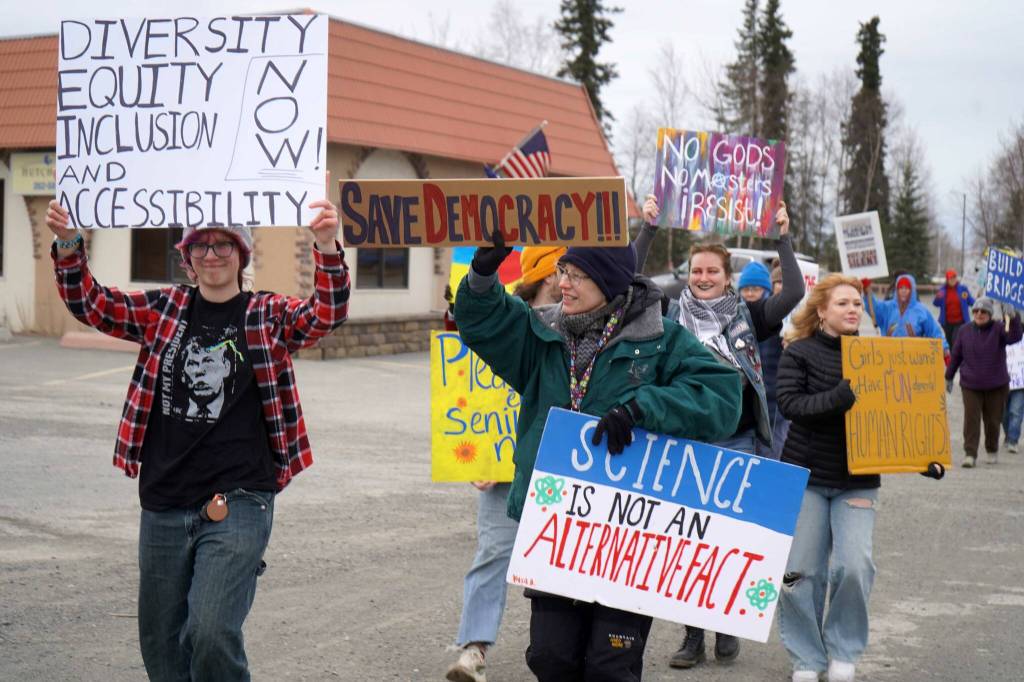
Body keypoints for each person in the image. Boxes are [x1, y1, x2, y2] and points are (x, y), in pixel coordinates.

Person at [46, 196, 350, 681]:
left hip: (241, 497)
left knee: (209, 631)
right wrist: (67, 243)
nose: (212, 254)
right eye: (200, 245)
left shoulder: (265, 314)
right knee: (162, 644)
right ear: (186, 257)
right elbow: (93, 305)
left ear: (242, 253)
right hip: (165, 499)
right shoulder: (162, 309)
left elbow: (325, 315)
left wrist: (326, 244)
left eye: (224, 244)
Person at [454, 235, 741, 681]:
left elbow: (722, 396)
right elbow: (482, 322)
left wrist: (644, 408)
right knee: (551, 659)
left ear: (607, 281)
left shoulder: (661, 339)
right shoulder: (541, 330)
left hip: (626, 536)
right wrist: (483, 273)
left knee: (611, 668)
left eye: (576, 275)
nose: (562, 284)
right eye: (562, 272)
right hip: (556, 529)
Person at [635, 194, 805, 668]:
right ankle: (692, 636)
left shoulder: (748, 316)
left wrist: (783, 238)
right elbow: (621, 279)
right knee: (689, 541)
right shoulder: (668, 313)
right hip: (685, 440)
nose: (703, 278)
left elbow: (792, 294)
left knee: (729, 537)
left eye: (712, 271)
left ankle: (727, 623)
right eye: (696, 270)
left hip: (738, 438)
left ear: (727, 277)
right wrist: (647, 227)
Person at [775, 274, 943, 682]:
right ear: (821, 311)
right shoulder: (800, 352)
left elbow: (898, 415)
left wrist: (924, 457)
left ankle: (843, 652)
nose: (853, 309)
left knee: (854, 566)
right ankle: (807, 659)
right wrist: (841, 396)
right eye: (843, 303)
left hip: (858, 481)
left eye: (857, 303)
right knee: (800, 573)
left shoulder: (879, 356)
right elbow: (791, 404)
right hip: (808, 478)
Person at [446, 245, 565, 682]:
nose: (568, 277)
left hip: (557, 467)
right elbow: (469, 391)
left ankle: (559, 650)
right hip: (501, 468)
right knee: (493, 552)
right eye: (562, 267)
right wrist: (476, 453)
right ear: (549, 273)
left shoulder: (581, 330)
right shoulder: (504, 319)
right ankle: (474, 647)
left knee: (557, 562)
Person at [945, 297, 1023, 467]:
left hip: (996, 385)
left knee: (993, 420)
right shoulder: (964, 331)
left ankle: (992, 448)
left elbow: (1014, 337)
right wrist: (949, 376)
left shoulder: (999, 328)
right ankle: (970, 454)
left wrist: (1014, 315)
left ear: (989, 314)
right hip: (971, 384)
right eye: (976, 311)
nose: (979, 314)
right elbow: (956, 355)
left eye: (984, 311)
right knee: (971, 420)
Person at [738, 261, 787, 460]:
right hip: (745, 407)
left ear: (765, 290)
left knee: (769, 458)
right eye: (745, 289)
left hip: (773, 405)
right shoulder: (735, 315)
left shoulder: (775, 319)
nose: (750, 293)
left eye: (755, 289)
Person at [862, 274, 949, 356]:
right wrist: (867, 290)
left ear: (912, 290)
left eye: (906, 288)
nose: (903, 291)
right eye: (900, 288)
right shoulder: (888, 308)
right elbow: (874, 308)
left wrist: (944, 349)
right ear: (897, 290)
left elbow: (934, 332)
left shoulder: (921, 311)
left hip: (915, 358)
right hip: (889, 356)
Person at [933, 269, 974, 347]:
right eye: (950, 278)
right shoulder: (942, 290)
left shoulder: (963, 289)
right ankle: (952, 357)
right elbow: (935, 304)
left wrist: (979, 303)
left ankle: (957, 357)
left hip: (960, 321)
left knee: (955, 339)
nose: (953, 280)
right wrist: (937, 297)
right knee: (949, 342)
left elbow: (970, 301)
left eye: (954, 277)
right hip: (947, 323)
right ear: (947, 280)